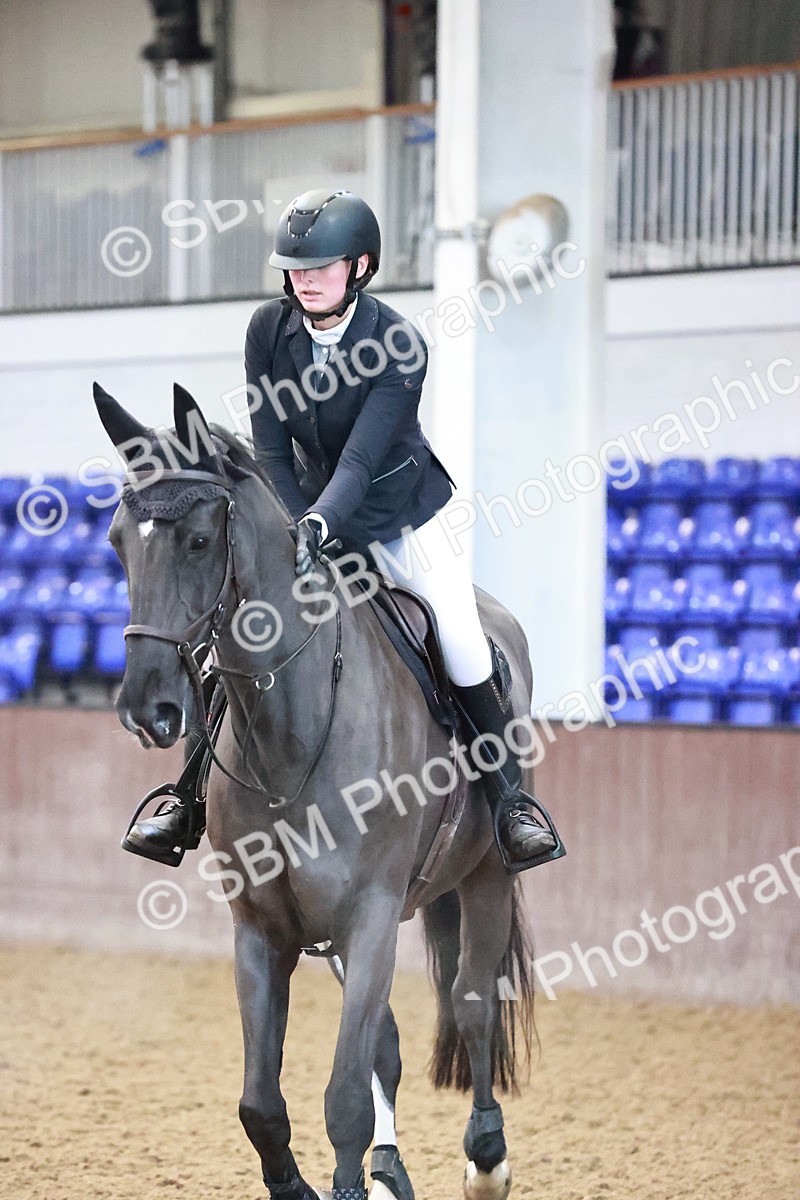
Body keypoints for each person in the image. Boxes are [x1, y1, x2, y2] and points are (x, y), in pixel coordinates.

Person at [126, 189, 560, 872]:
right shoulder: (267, 331)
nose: (305, 279)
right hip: (299, 504)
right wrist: (295, 522)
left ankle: (510, 804)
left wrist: (321, 522)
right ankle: (188, 799)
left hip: (399, 513)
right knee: (233, 635)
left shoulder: (399, 344)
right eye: (296, 268)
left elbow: (361, 458)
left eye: (320, 267)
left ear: (360, 266)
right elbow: (270, 444)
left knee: (460, 636)